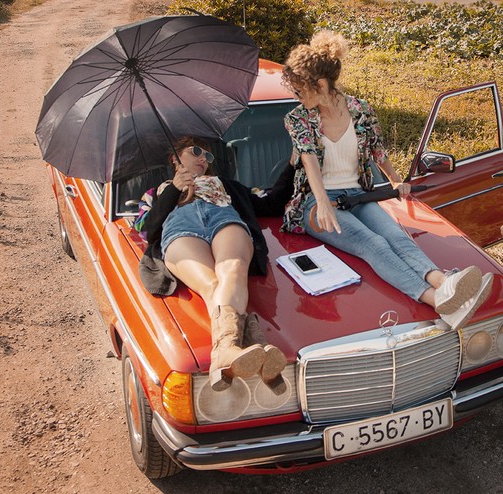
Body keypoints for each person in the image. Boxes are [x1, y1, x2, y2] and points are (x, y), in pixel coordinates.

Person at [280, 31, 492, 330]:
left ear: (321, 84)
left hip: (356, 195)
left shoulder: (360, 110)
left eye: (300, 88)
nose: (296, 96)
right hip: (316, 203)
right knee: (373, 244)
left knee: (395, 236)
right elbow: (309, 162)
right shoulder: (298, 118)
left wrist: (394, 180)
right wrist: (324, 203)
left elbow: (378, 151)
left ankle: (446, 284)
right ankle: (438, 301)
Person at [137, 135, 293, 391]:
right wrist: (175, 189)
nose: (202, 158)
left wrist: (292, 163)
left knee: (232, 270)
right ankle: (259, 352)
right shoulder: (156, 192)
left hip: (224, 220)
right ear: (174, 158)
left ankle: (225, 353)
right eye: (196, 151)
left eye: (208, 156)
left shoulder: (227, 186)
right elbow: (145, 229)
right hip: (181, 229)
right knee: (211, 284)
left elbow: (271, 204)